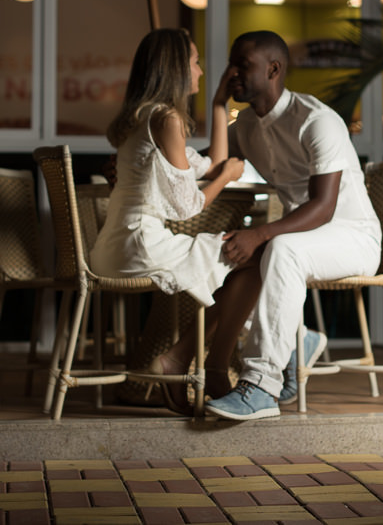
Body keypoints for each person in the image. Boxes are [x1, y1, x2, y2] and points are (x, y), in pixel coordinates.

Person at [204, 30, 382, 420]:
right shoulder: (246, 125)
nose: (232, 73)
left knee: (278, 248)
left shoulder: (316, 120)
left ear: (273, 70)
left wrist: (260, 234)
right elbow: (206, 164)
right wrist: (144, 165)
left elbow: (323, 206)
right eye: (231, 64)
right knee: (227, 251)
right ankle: (298, 342)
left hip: (353, 237)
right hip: (302, 237)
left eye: (242, 65)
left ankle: (260, 387)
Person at [89, 28, 260, 415]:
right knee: (251, 255)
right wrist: (227, 178)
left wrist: (218, 102)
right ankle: (201, 363)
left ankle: (188, 360)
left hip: (113, 247)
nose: (200, 70)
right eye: (195, 62)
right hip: (142, 245)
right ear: (177, 69)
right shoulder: (166, 118)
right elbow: (188, 206)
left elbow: (210, 163)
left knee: (242, 261)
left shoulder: (141, 117)